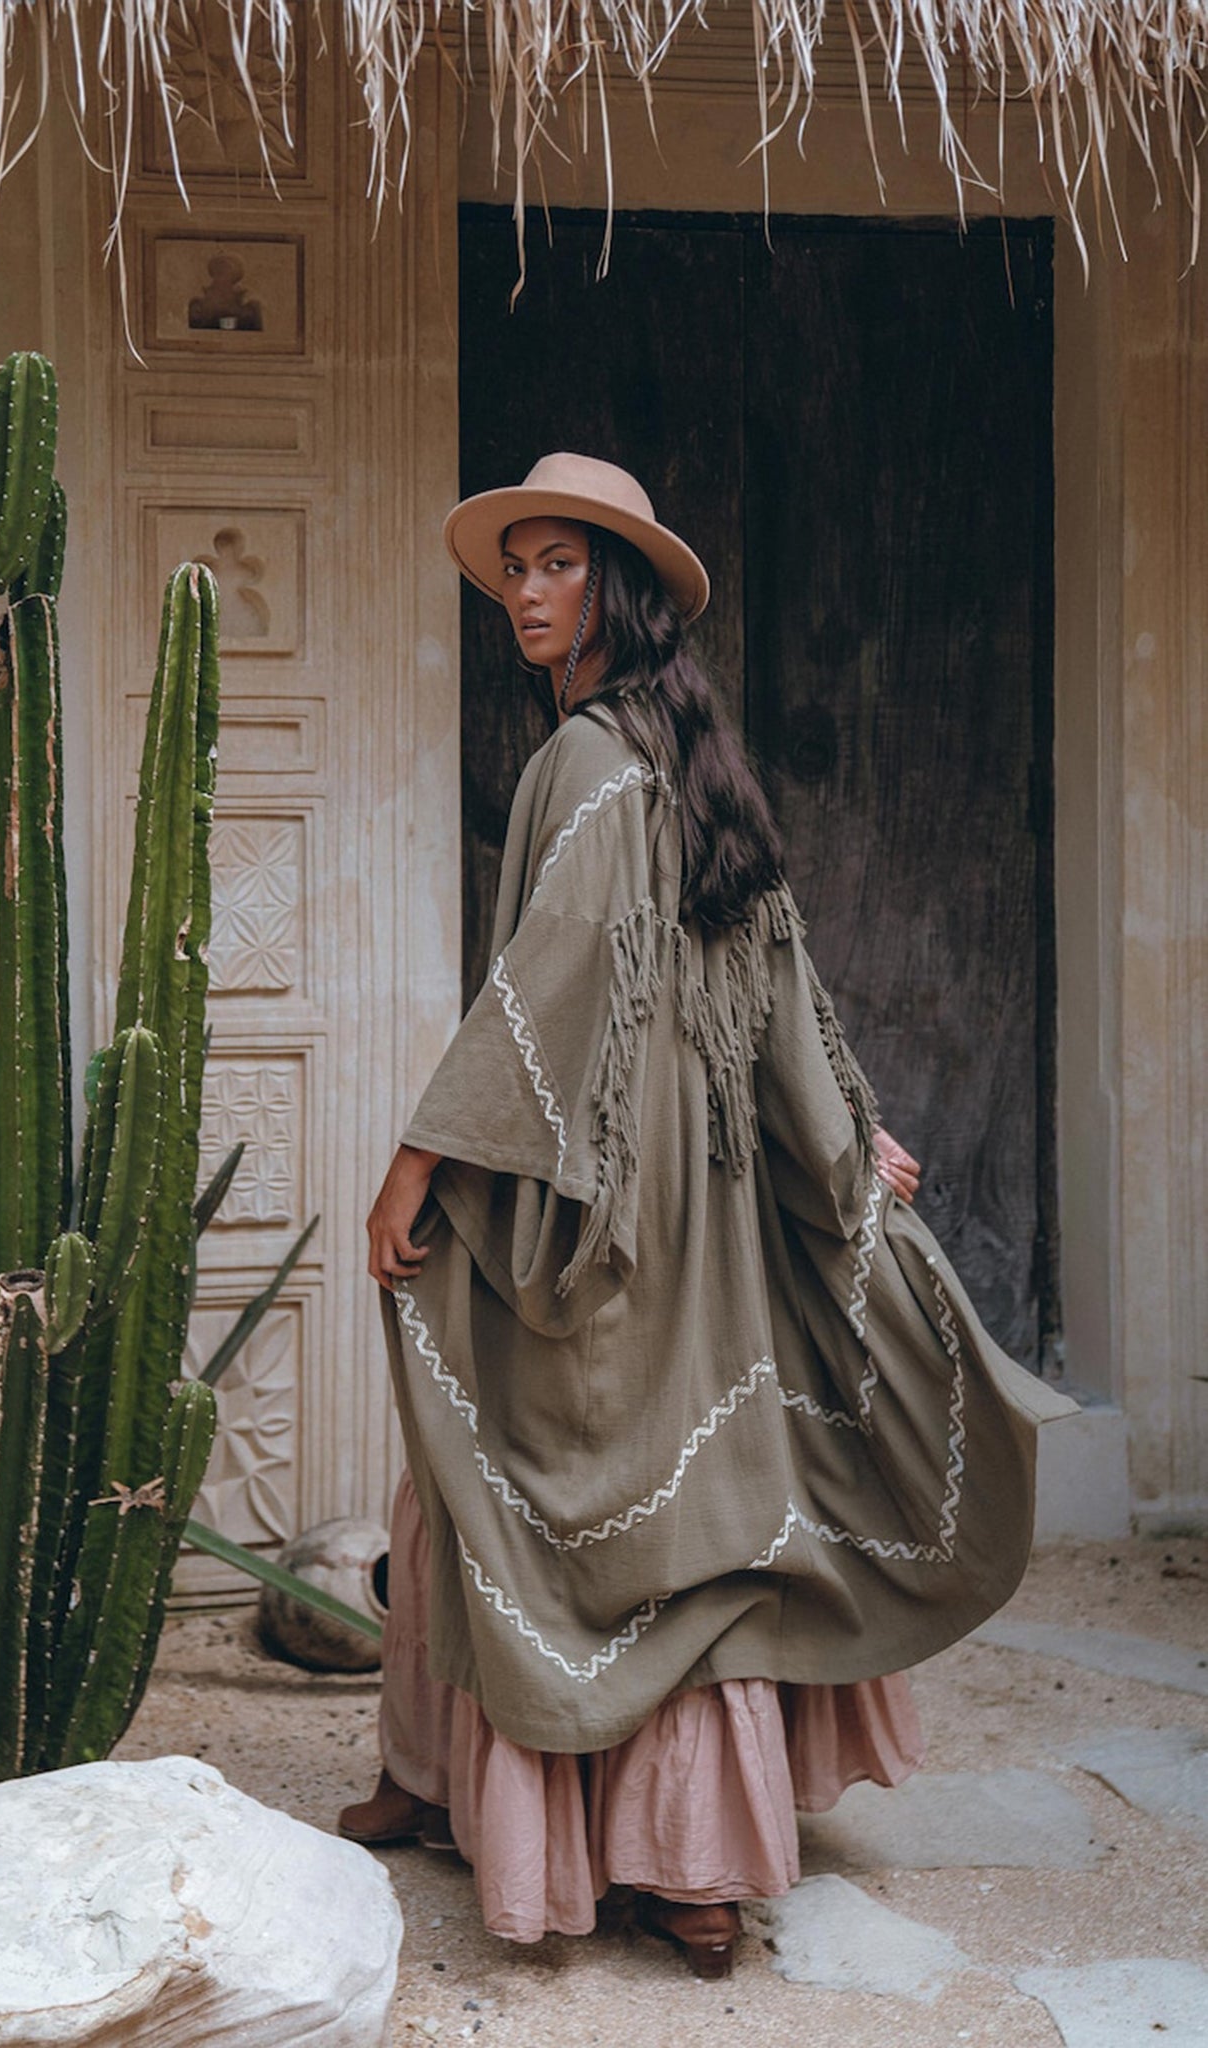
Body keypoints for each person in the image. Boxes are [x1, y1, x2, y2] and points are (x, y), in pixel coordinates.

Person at [344, 453, 1073, 1977]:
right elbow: (772, 984)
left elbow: (557, 980)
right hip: (694, 1182)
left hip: (615, 1193)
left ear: (615, 587)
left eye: (555, 567)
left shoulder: (597, 769)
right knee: (645, 1480)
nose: (525, 598)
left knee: (550, 1466)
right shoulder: (682, 760)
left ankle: (654, 1847)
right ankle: (489, 1794)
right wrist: (835, 1133)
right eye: (514, 572)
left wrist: (420, 1157)